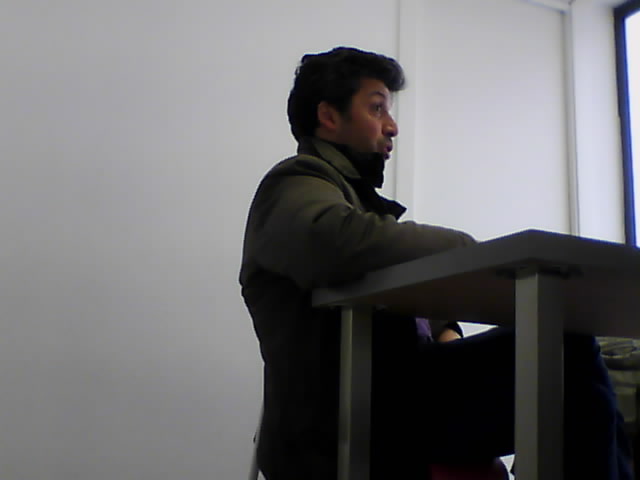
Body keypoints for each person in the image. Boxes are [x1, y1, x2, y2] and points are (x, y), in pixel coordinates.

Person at [239, 46, 632, 480]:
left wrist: (447, 327)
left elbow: (387, 279)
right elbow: (336, 243)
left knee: (564, 352)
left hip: (393, 399)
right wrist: (468, 249)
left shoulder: (350, 199)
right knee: (562, 353)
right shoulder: (293, 183)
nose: (392, 126)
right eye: (376, 108)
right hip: (349, 417)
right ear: (329, 116)